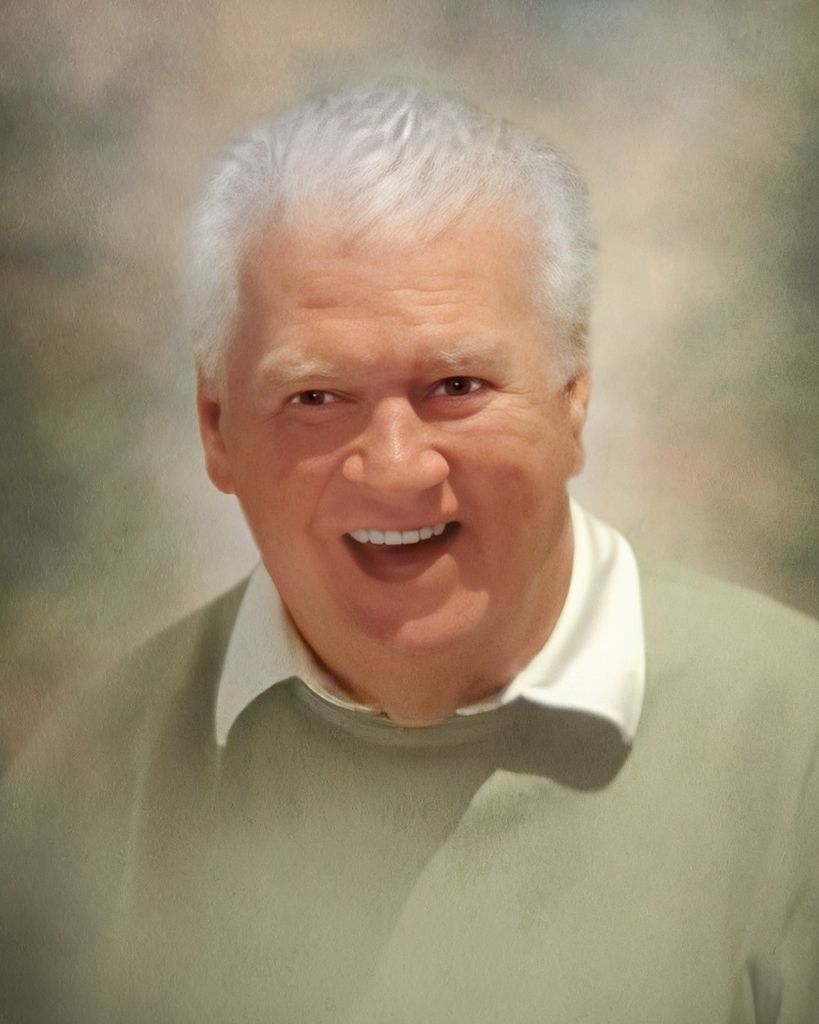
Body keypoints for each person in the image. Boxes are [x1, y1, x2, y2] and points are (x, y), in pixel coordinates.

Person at [1, 82, 817, 1024]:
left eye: (456, 385)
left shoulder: (796, 746)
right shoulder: (78, 795)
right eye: (316, 397)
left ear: (573, 396)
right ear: (216, 428)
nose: (394, 469)